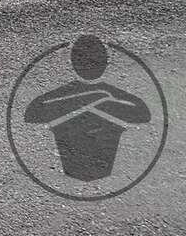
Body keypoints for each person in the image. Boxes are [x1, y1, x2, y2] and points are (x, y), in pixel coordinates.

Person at [24, 35, 150, 181]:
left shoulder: (108, 91)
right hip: (74, 157)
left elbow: (142, 114)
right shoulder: (101, 91)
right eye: (83, 59)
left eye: (95, 59)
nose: (90, 64)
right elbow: (33, 113)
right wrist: (96, 96)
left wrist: (95, 98)